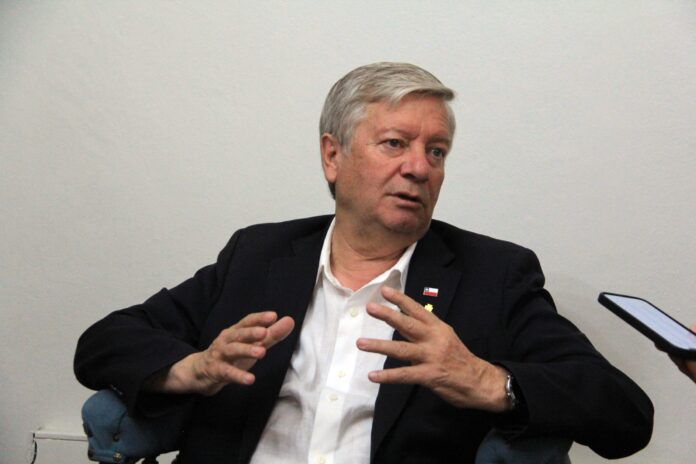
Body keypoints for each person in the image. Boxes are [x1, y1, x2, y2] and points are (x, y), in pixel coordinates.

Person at [74, 62, 653, 464]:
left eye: (436, 152)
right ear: (333, 156)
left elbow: (625, 414)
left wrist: (486, 380)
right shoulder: (260, 254)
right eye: (395, 144)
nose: (419, 168)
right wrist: (192, 370)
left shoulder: (492, 275)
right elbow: (103, 343)